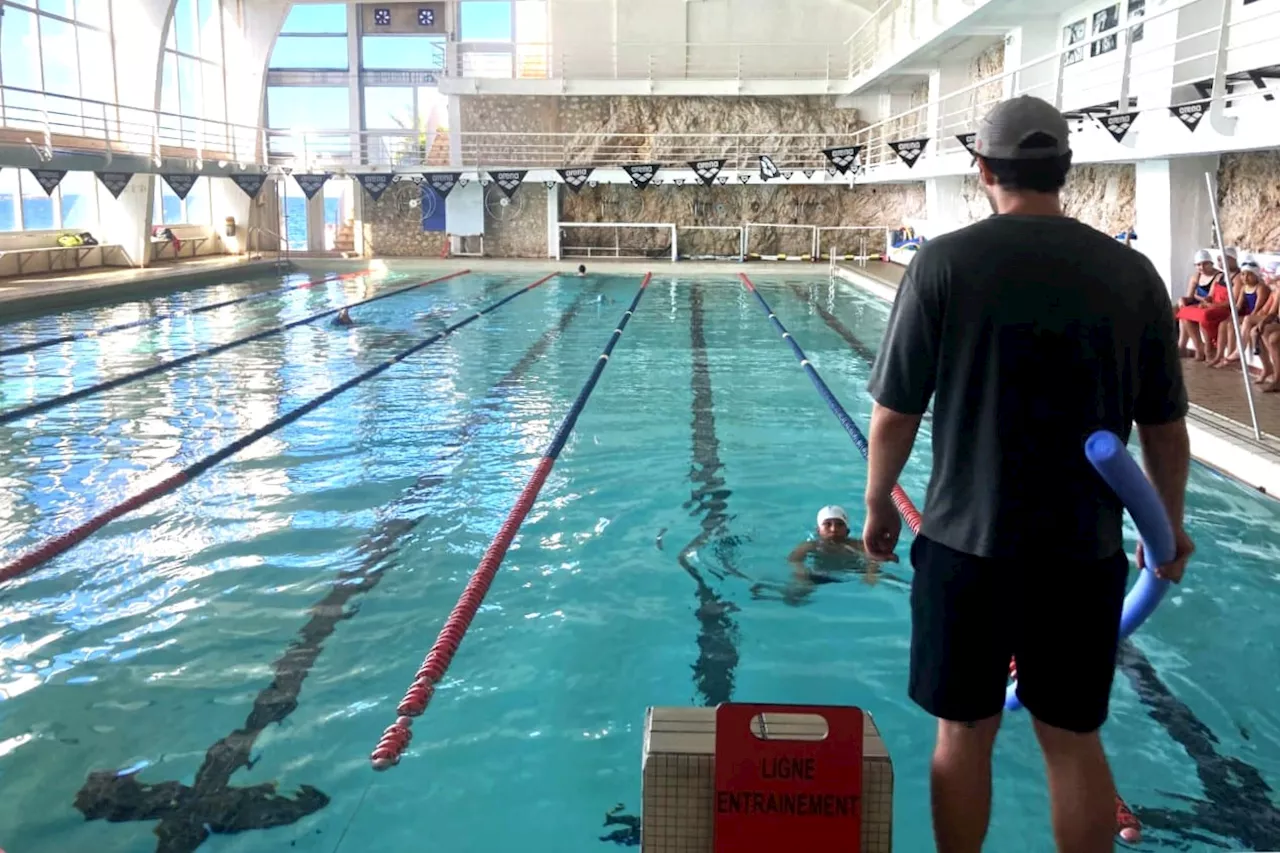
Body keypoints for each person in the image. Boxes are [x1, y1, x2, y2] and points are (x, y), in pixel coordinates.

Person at [862, 95, 1194, 853]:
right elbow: (1166, 426)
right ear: (1065, 170)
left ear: (983, 170)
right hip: (1083, 554)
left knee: (962, 731)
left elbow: (894, 413)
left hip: (963, 546)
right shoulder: (1131, 272)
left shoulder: (943, 264)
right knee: (1072, 739)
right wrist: (1166, 526)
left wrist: (879, 501)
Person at [751, 506, 901, 604]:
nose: (834, 529)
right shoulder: (811, 545)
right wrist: (801, 572)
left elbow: (875, 557)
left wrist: (871, 572)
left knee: (895, 584)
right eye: (827, 524)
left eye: (839, 524)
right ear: (818, 531)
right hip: (820, 575)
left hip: (854, 572)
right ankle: (771, 589)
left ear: (847, 530)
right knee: (795, 598)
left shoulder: (858, 544)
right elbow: (794, 559)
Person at [1175, 248, 1238, 361]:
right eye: (1219, 259)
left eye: (1223, 259)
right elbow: (1210, 295)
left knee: (1204, 317)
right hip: (1213, 306)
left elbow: (1233, 302)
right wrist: (1206, 302)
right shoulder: (1220, 277)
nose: (1221, 262)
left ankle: (1209, 350)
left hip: (1222, 309)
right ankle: (1199, 347)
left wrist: (1210, 304)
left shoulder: (1237, 278)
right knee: (1184, 313)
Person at [1210, 255, 1269, 368]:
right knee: (1224, 324)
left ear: (1256, 275)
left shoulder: (1261, 288)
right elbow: (1238, 306)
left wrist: (1240, 321)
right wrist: (1232, 316)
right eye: (1243, 274)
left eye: (1249, 274)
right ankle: (1220, 355)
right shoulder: (1244, 288)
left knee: (1232, 326)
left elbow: (1258, 308)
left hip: (1256, 315)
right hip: (1248, 316)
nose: (1245, 277)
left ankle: (1232, 356)